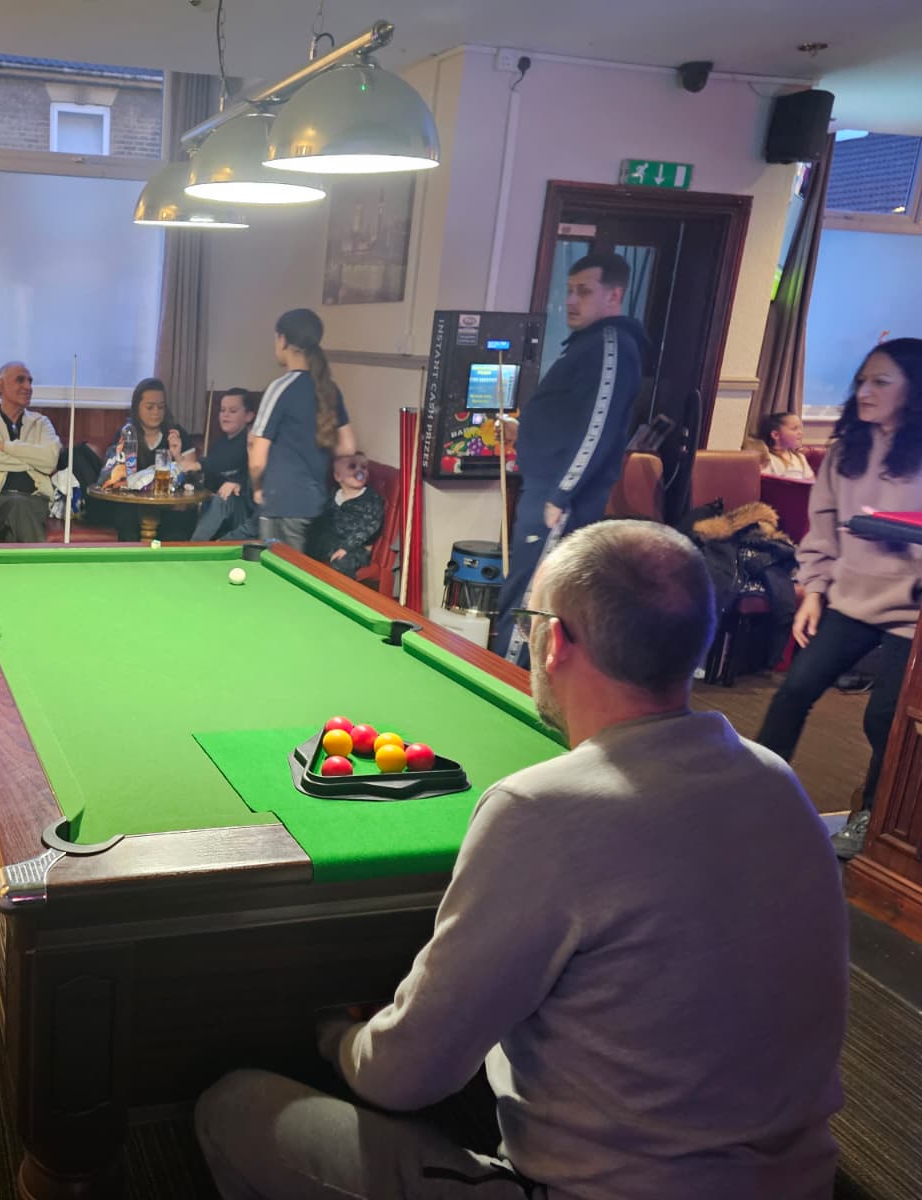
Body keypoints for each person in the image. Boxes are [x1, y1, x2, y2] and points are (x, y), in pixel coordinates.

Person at [197, 521, 848, 1200]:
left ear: (556, 640)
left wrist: (333, 1034)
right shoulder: (780, 782)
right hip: (796, 1184)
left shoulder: (539, 809)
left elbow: (401, 1078)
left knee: (234, 1109)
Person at [757, 338, 922, 859]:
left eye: (881, 381)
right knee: (794, 691)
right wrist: (813, 591)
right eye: (862, 381)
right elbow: (822, 528)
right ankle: (755, 789)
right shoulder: (845, 450)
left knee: (885, 720)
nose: (865, 391)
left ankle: (872, 814)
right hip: (850, 602)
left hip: (911, 615)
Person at [491, 251, 651, 664]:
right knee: (519, 592)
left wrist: (560, 495)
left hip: (558, 502)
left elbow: (596, 427)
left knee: (532, 600)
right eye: (569, 290)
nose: (571, 300)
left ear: (614, 294)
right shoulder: (587, 345)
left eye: (584, 291)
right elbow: (568, 421)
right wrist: (521, 432)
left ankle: (507, 689)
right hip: (542, 492)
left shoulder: (612, 345)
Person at [250, 309, 356, 550]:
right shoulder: (329, 388)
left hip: (282, 502)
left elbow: (257, 460)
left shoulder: (280, 388)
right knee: (300, 574)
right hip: (314, 501)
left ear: (283, 340)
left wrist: (257, 488)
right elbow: (348, 446)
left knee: (278, 579)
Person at [0, 361, 61, 542]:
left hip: (35, 500)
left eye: (30, 381)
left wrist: (7, 447)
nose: (28, 387)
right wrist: (30, 462)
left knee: (17, 520)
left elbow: (49, 461)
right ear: (1, 385)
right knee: (18, 507)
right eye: (20, 380)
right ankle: (43, 568)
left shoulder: (42, 423)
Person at [94, 377, 195, 541]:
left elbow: (192, 477)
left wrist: (177, 455)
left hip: (169, 508)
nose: (156, 412)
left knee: (179, 523)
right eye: (150, 407)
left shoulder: (176, 433)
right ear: (137, 408)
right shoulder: (126, 434)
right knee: (125, 518)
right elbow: (115, 478)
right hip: (132, 508)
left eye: (161, 407)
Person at [190, 388, 259, 541]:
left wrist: (237, 484)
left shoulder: (251, 441)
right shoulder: (220, 443)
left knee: (223, 498)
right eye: (222, 410)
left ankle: (192, 548)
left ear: (249, 416)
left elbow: (226, 463)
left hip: (248, 513)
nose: (225, 415)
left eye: (232, 411)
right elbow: (212, 478)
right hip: (226, 512)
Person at [312, 452, 383, 578]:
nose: (359, 471)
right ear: (338, 476)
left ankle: (342, 592)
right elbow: (322, 517)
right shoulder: (334, 494)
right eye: (352, 467)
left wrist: (346, 548)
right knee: (305, 545)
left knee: (342, 563)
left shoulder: (371, 499)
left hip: (356, 547)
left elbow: (369, 527)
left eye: (363, 467)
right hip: (331, 541)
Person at [754, 411, 814, 478]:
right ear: (775, 435)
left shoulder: (800, 458)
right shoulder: (767, 458)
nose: (800, 432)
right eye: (794, 429)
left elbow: (812, 483)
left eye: (800, 428)